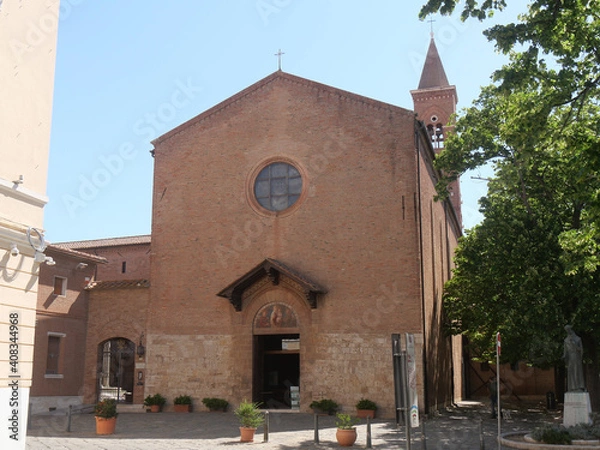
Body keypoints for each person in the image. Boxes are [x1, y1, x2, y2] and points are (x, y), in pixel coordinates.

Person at [563, 325, 585, 391]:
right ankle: (572, 387)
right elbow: (565, 351)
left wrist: (574, 344)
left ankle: (579, 386)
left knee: (577, 371)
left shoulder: (578, 339)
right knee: (571, 372)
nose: (568, 331)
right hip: (570, 358)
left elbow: (581, 350)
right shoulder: (566, 340)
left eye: (568, 330)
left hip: (576, 356)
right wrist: (564, 356)